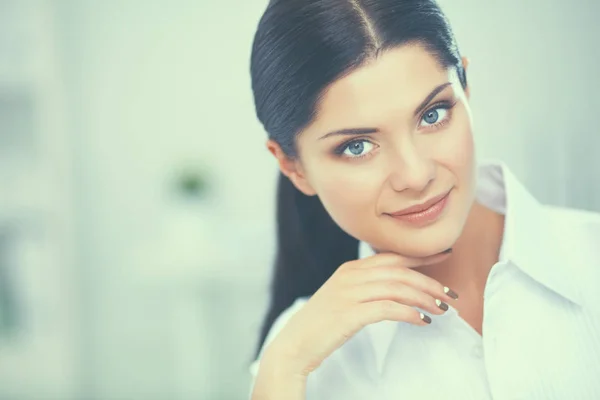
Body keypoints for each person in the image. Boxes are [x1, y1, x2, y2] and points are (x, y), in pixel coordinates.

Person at [248, 0, 600, 399]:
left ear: (465, 89)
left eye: (433, 115)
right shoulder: (299, 360)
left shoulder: (592, 257)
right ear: (293, 166)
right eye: (358, 146)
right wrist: (283, 366)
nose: (416, 176)